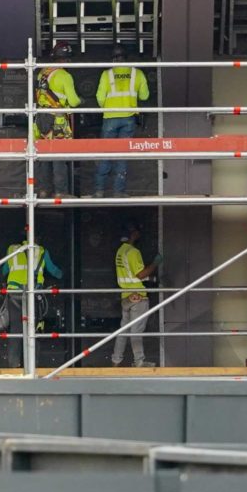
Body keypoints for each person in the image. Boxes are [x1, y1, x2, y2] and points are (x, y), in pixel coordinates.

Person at [92, 43, 150, 198]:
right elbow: (144, 96)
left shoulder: (107, 74)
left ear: (113, 58)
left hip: (110, 118)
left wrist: (108, 107)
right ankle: (119, 191)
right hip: (128, 118)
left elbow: (99, 98)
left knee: (105, 154)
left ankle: (99, 191)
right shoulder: (137, 74)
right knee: (122, 154)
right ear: (126, 57)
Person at [0, 239, 64, 368]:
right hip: (32, 294)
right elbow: (54, 271)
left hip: (14, 294)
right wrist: (63, 274)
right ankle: (31, 365)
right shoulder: (41, 251)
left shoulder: (12, 249)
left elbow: (4, 271)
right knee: (33, 329)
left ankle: (13, 365)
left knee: (16, 330)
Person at [34, 41, 82, 198]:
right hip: (57, 121)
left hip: (41, 118)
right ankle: (60, 192)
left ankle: (43, 190)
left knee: (43, 157)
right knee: (58, 156)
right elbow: (73, 101)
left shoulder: (42, 73)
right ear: (66, 59)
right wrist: (81, 101)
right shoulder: (64, 76)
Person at [112, 221, 162, 368]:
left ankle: (116, 361)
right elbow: (140, 275)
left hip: (125, 296)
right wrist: (155, 263)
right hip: (138, 296)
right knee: (136, 331)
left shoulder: (120, 251)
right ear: (133, 234)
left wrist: (151, 279)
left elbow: (130, 275)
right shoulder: (133, 252)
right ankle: (139, 361)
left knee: (123, 330)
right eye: (137, 232)